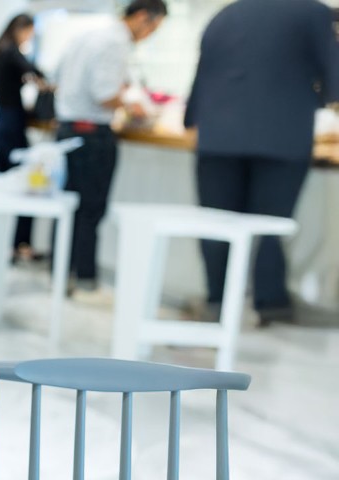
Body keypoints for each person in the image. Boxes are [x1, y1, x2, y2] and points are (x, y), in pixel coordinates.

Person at [183, 0, 339, 325]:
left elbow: (202, 74)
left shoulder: (224, 14)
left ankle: (218, 302)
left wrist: (191, 120)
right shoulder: (314, 13)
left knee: (216, 224)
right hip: (281, 136)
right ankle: (270, 303)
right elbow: (332, 74)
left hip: (217, 137)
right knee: (269, 225)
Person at [52, 0, 166, 302]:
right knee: (90, 209)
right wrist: (133, 106)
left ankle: (61, 271)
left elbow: (57, 78)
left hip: (67, 128)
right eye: (153, 28)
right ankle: (85, 279)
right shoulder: (116, 42)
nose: (149, 35)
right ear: (142, 17)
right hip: (92, 134)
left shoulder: (86, 36)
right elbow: (103, 95)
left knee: (69, 206)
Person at [0, 13, 46, 261]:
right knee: (25, 187)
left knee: (2, 187)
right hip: (12, 125)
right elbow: (35, 71)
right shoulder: (13, 53)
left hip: (1, 123)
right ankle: (21, 245)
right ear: (22, 30)